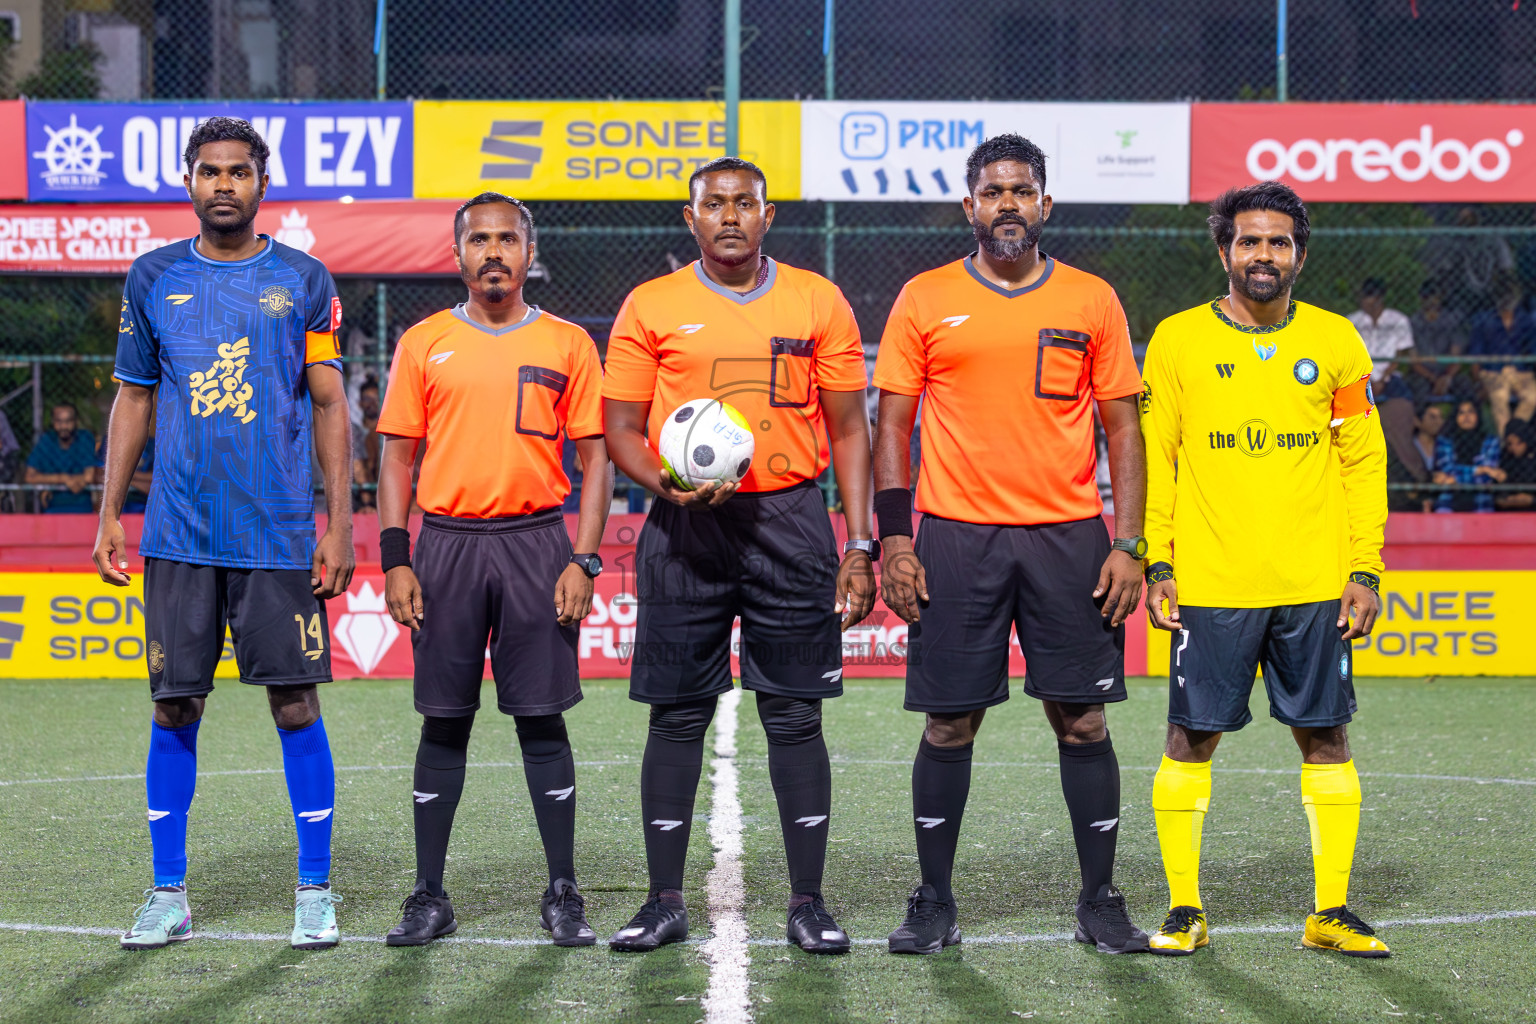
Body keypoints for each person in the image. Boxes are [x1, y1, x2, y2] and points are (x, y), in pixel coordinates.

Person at [872, 134, 1150, 956]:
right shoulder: (924, 298)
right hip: (956, 537)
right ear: (969, 207)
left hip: (1070, 537)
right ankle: (934, 900)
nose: (1007, 204)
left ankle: (1100, 898)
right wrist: (894, 540)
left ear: (1045, 205)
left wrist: (1129, 541)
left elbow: (1123, 428)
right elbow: (893, 425)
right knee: (949, 725)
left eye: (1021, 190)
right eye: (992, 191)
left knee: (1085, 723)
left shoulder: (1092, 299)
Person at [91, 116, 354, 952]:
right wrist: (108, 514)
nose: (224, 185)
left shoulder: (305, 280)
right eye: (209, 172)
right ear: (189, 181)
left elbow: (327, 401)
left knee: (294, 704)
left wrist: (340, 524)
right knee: (174, 710)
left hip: (276, 534)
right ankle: (168, 891)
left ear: (262, 184)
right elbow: (133, 400)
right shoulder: (153, 277)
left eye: (239, 172)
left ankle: (314, 891)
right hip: (177, 533)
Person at [602, 156, 875, 955]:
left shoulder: (817, 300)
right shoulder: (651, 306)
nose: (729, 215)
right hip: (683, 525)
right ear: (690, 219)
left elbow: (852, 429)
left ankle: (809, 902)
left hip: (790, 522)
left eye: (744, 203)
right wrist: (667, 482)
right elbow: (620, 427)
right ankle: (662, 901)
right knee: (678, 713)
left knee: (793, 713)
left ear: (768, 215)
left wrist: (858, 542)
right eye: (713, 204)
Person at [1141, 181, 1390, 958]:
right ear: (1224, 251)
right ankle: (1185, 909)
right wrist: (1157, 562)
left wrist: (1365, 568)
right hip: (1211, 585)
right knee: (1190, 740)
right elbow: (1158, 461)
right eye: (1249, 241)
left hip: (1316, 586)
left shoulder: (1337, 341)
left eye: (1279, 242)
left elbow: (1363, 460)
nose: (1263, 255)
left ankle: (1331, 911)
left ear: (1300, 256)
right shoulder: (1178, 340)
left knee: (1327, 739)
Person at [374, 192, 612, 947]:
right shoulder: (424, 342)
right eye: (479, 239)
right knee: (444, 720)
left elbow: (597, 457)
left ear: (529, 253)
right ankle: (428, 894)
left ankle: (564, 891)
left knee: (541, 718)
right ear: (458, 254)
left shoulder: (570, 342)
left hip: (538, 544)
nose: (494, 252)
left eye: (508, 238)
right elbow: (397, 457)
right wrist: (396, 556)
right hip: (443, 545)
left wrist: (584, 557)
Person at [1348, 279, 1419, 481]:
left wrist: (1383, 377)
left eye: (1371, 298)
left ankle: (1415, 477)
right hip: (1361, 378)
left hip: (1390, 378)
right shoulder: (1352, 321)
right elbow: (1351, 357)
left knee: (1400, 417)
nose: (1367, 303)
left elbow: (1400, 355)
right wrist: (1369, 380)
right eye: (1364, 298)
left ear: (1380, 299)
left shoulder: (1398, 320)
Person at [1467, 274, 1536, 439]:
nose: (1507, 298)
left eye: (1511, 293)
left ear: (1518, 296)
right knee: (1500, 399)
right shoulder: (1484, 321)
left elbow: (1532, 351)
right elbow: (1476, 356)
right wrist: (1478, 382)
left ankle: (1513, 435)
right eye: (1502, 293)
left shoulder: (1526, 321)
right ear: (1495, 296)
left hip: (1519, 371)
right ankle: (1507, 446)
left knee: (1533, 397)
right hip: (1493, 371)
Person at [1407, 282, 1473, 404]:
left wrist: (1447, 377)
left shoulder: (1452, 321)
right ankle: (1420, 422)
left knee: (1464, 384)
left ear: (1440, 298)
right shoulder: (1413, 323)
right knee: (1417, 387)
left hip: (1446, 372)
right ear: (1421, 298)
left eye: (1435, 296)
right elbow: (1414, 361)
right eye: (1427, 297)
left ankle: (1462, 420)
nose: (1431, 301)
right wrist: (1433, 378)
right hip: (1423, 373)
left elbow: (1456, 357)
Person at [25, 402, 96, 513]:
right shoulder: (47, 440)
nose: (63, 426)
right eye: (59, 421)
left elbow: (89, 477)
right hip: (52, 506)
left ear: (76, 422)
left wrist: (51, 482)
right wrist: (63, 478)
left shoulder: (84, 438)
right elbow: (30, 477)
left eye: (68, 421)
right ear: (53, 422)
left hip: (82, 506)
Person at [1432, 400, 1501, 514]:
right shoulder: (1444, 441)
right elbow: (1447, 469)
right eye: (1461, 412)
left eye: (1471, 412)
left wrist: (1454, 480)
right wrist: (1479, 469)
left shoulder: (1491, 441)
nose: (1466, 416)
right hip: (1448, 503)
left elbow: (1486, 477)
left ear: (1478, 415)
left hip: (1481, 504)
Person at [352, 378, 380, 511]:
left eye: (377, 397)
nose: (373, 403)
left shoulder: (384, 433)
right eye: (368, 399)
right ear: (360, 403)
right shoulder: (355, 432)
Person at [1496, 420, 1536, 509]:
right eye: (1510, 444)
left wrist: (1532, 500)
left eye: (1519, 443)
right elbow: (1498, 498)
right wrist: (1513, 500)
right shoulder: (1505, 459)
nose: (1514, 448)